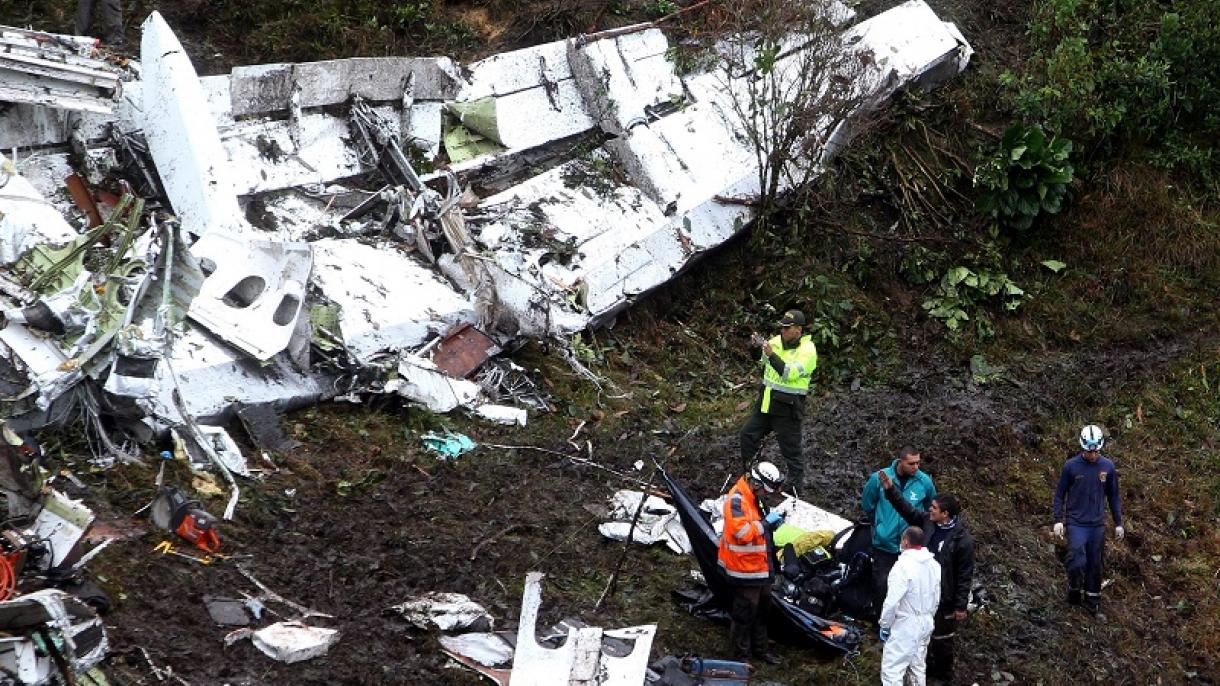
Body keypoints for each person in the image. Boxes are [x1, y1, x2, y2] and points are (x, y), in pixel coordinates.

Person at [879, 472, 974, 685]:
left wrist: (960, 605)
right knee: (921, 648)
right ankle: (924, 675)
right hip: (921, 590)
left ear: (946, 514)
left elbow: (965, 574)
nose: (929, 509)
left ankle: (943, 676)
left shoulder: (962, 540)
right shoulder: (927, 522)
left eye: (933, 508)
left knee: (942, 640)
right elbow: (907, 510)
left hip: (944, 596)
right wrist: (890, 490)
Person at [739, 309, 818, 488]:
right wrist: (754, 347)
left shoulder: (808, 350)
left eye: (787, 328)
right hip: (766, 403)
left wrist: (771, 355)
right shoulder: (775, 342)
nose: (783, 331)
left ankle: (795, 490)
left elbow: (787, 373)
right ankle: (751, 476)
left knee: (791, 452)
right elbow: (760, 359)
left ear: (799, 329)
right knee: (747, 435)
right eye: (782, 327)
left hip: (788, 409)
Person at [718, 461, 786, 666]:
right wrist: (766, 524)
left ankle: (761, 649)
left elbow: (758, 528)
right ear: (756, 483)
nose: (767, 494)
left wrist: (770, 525)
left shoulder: (755, 498)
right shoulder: (736, 500)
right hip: (743, 569)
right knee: (744, 615)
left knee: (763, 611)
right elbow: (742, 533)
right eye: (765, 490)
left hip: (761, 567)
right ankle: (741, 658)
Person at [1053, 424, 1123, 617]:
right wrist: (1058, 519)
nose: (1092, 456)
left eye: (1095, 452)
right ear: (1082, 448)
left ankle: (1092, 603)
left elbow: (1114, 496)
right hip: (1076, 523)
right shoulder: (1071, 467)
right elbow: (1060, 494)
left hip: (1097, 525)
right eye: (1088, 452)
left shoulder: (1107, 467)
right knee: (1077, 560)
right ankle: (1074, 592)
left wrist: (1118, 523)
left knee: (1095, 565)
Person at [861, 447, 935, 614]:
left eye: (918, 463)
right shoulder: (879, 478)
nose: (916, 467)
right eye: (911, 463)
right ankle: (880, 622)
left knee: (908, 586)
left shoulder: (924, 482)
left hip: (910, 547)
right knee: (881, 584)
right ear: (900, 461)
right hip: (885, 543)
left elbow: (930, 511)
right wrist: (880, 525)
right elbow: (868, 505)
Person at [879, 526, 941, 686]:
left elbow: (892, 601)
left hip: (906, 624)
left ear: (905, 541)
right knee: (917, 667)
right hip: (926, 621)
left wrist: (885, 625)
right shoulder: (934, 565)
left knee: (892, 670)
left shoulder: (902, 566)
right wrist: (929, 617)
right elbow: (936, 596)